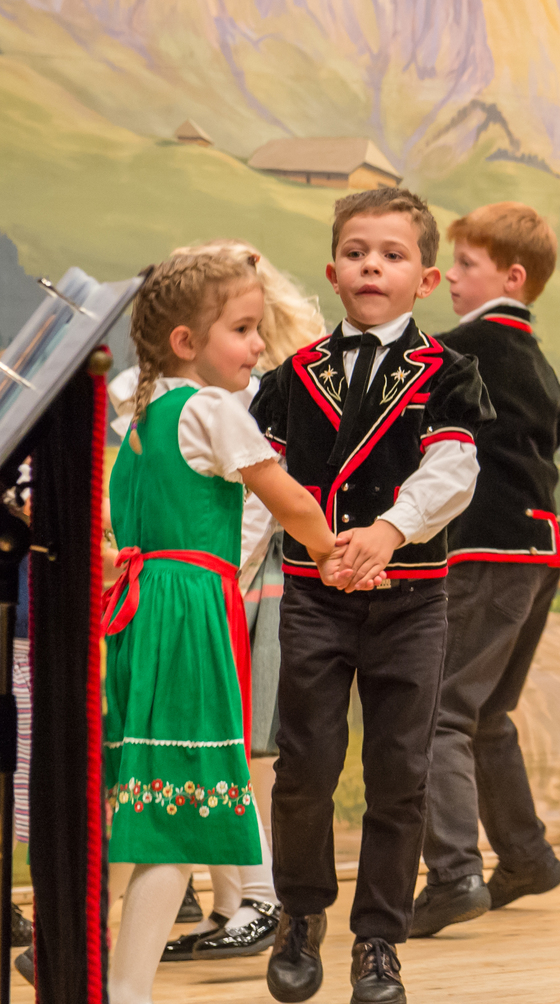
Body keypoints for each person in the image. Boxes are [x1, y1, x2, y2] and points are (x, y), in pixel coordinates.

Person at [251, 187, 493, 1004]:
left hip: (411, 600)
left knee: (400, 773)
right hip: (314, 597)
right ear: (333, 271)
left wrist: (388, 533)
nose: (371, 267)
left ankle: (380, 941)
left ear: (425, 279)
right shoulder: (291, 377)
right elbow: (260, 486)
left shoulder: (450, 373)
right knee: (305, 767)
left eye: (392, 255)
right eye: (356, 253)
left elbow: (452, 470)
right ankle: (299, 915)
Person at [104, 247, 341, 1004]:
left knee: (146, 803)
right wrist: (336, 555)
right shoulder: (210, 410)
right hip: (188, 617)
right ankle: (127, 989)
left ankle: (103, 970)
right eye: (242, 330)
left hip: (142, 614)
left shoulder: (142, 417)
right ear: (185, 341)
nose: (258, 346)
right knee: (179, 810)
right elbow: (289, 499)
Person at [412, 203, 560, 936]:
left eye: (465, 264)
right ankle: (526, 855)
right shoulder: (536, 361)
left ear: (512, 276)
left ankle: (453, 874)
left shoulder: (458, 353)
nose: (450, 276)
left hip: (486, 551)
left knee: (440, 711)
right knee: (485, 714)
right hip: (540, 550)